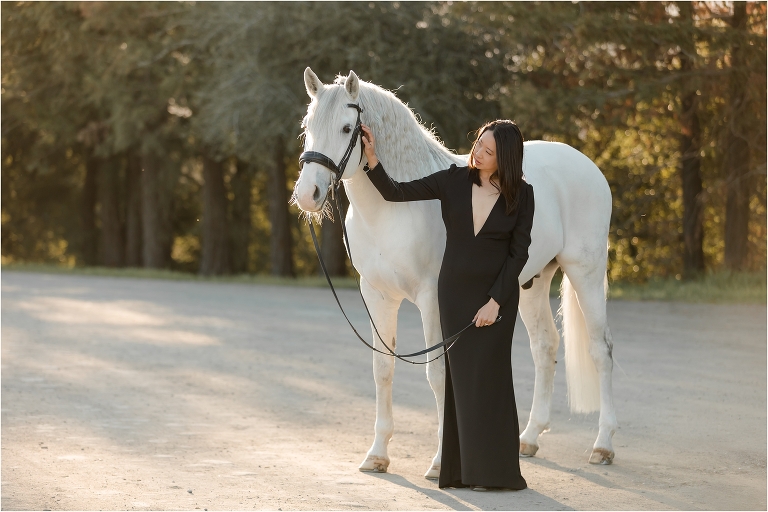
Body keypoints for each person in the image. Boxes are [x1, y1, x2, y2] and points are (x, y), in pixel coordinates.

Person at [360, 120, 534, 491]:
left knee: (491, 380)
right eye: (479, 145)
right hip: (454, 295)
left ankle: (497, 473)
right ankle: (459, 472)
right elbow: (395, 192)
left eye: (489, 151)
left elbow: (519, 255)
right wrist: (372, 158)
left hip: (494, 299)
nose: (479, 153)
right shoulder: (453, 180)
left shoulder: (522, 194)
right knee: (459, 384)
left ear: (505, 158)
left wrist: (496, 301)